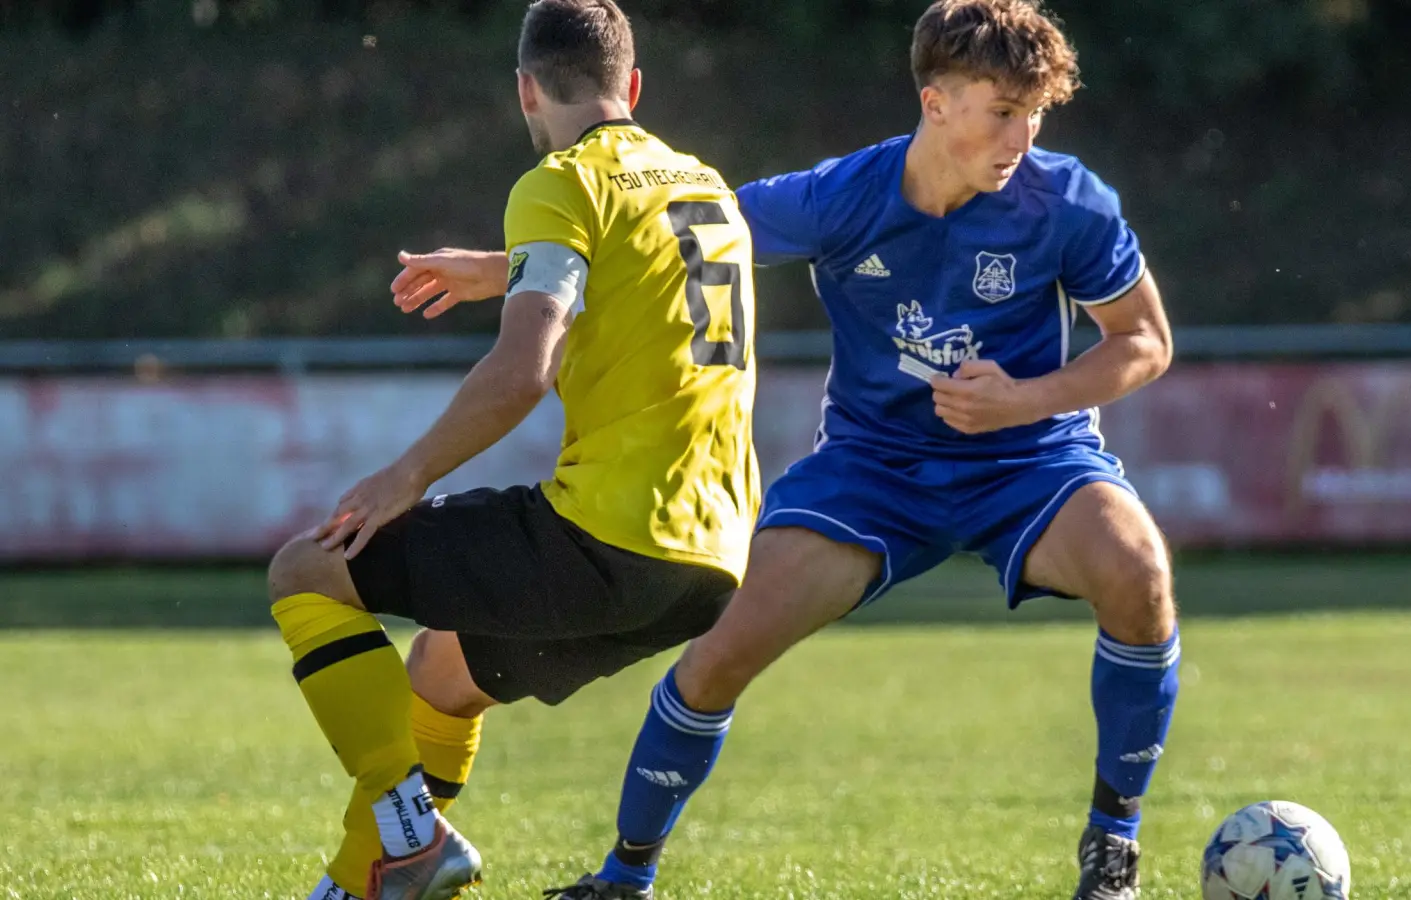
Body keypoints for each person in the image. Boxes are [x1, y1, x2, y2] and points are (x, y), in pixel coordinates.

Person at [547, 1, 1178, 897]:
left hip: (1029, 461)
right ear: (936, 102)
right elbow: (667, 235)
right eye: (1003, 111)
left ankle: (1113, 842)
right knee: (723, 647)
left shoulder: (1067, 199)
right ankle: (624, 875)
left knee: (1140, 574)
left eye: (1036, 113)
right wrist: (510, 270)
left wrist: (1023, 401)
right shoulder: (843, 196)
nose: (1023, 136)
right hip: (873, 471)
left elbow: (1144, 342)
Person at [260, 2, 760, 898]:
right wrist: (502, 267)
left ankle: (408, 840)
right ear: (633, 87)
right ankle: (362, 881)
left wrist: (400, 478)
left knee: (308, 569)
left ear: (526, 90)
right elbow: (626, 275)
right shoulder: (706, 187)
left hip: (606, 537)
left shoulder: (560, 183)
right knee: (443, 674)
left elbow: (522, 369)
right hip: (710, 567)